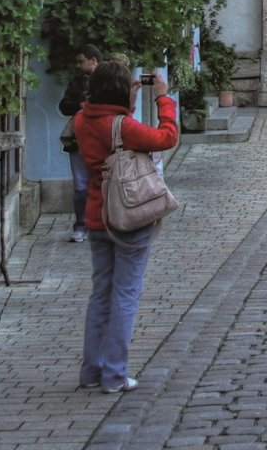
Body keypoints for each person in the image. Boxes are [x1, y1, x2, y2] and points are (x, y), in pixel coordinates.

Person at [74, 61, 178, 393]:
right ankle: (115, 375)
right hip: (128, 216)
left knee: (100, 295)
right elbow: (166, 136)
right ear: (119, 91)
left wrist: (126, 103)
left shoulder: (81, 120)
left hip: (96, 217)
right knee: (125, 295)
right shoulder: (123, 126)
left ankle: (91, 371)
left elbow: (112, 130)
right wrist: (163, 99)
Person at [58, 45, 103, 242]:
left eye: (81, 61)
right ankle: (81, 226)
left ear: (93, 61)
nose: (78, 65)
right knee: (80, 187)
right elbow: (64, 105)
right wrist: (80, 105)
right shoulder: (77, 83)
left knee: (105, 184)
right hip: (78, 141)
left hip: (103, 139)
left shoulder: (108, 79)